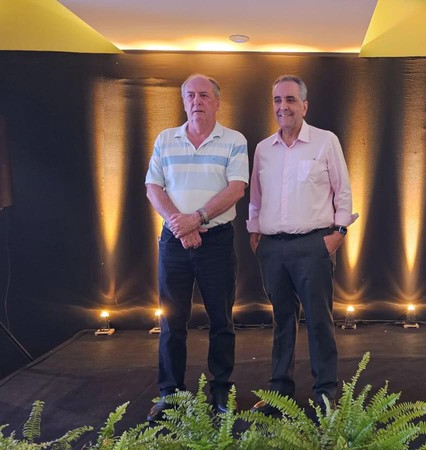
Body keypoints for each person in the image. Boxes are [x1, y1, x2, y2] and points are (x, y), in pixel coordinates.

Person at [247, 75, 355, 414]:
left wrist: (338, 233)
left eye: (291, 100)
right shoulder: (263, 149)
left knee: (319, 321)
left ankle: (325, 393)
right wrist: (255, 233)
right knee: (282, 322)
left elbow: (343, 191)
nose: (283, 106)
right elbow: (256, 197)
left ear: (304, 106)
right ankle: (279, 392)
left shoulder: (325, 141)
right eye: (278, 100)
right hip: (272, 249)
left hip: (313, 246)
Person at [144, 74, 249, 422]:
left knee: (221, 319)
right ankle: (170, 394)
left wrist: (197, 218)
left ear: (217, 102)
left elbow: (236, 189)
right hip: (174, 241)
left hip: (216, 242)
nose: (196, 101)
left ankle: (221, 390)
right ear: (183, 101)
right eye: (190, 95)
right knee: (171, 321)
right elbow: (153, 188)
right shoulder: (165, 139)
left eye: (204, 95)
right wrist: (180, 224)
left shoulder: (234, 140)